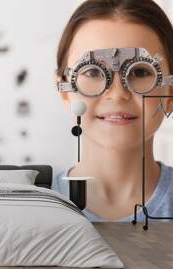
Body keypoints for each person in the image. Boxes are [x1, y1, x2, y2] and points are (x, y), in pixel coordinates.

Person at [52, 0, 173, 221]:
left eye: (139, 72)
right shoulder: (32, 207)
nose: (117, 94)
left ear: (170, 93)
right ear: (65, 91)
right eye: (92, 72)